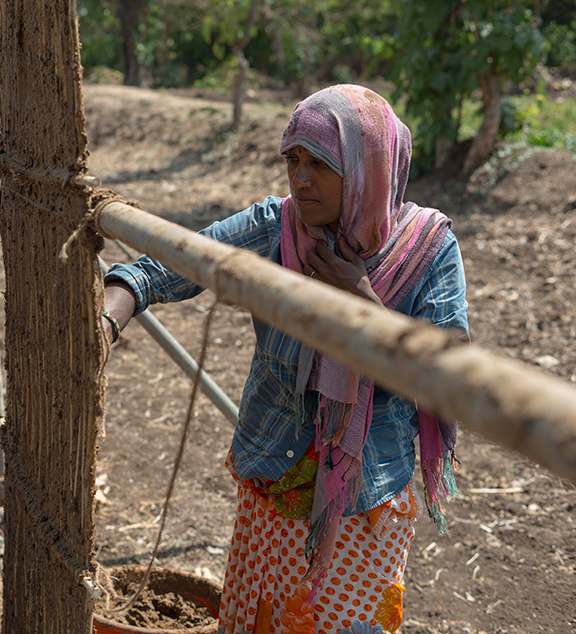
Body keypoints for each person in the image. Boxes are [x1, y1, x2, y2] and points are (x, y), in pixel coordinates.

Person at [101, 85, 469, 634]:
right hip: (275, 480)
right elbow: (180, 260)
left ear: (368, 165)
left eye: (319, 163)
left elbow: (450, 375)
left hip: (363, 500)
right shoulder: (280, 227)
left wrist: (361, 299)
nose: (300, 179)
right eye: (292, 160)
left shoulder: (428, 249)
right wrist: (111, 313)